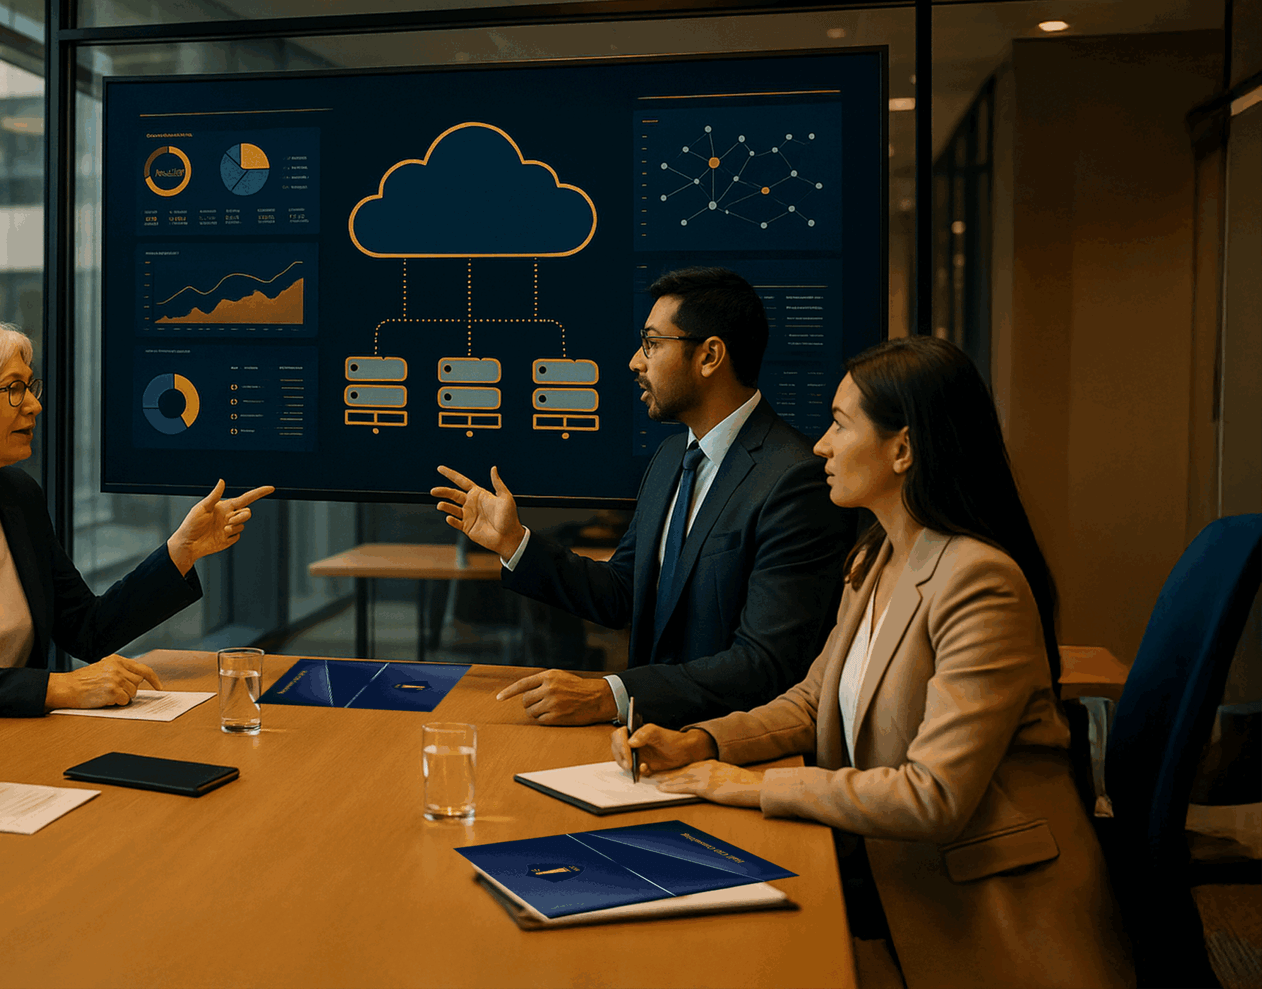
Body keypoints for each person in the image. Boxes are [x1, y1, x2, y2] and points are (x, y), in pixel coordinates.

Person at [620, 336, 1132, 988]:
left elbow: (934, 797)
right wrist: (700, 743)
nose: (820, 446)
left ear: (904, 448)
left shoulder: (980, 582)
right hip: (890, 882)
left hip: (984, 915)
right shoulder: (877, 558)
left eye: (838, 425)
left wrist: (749, 786)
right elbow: (813, 702)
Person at [431, 266, 850, 728]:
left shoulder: (794, 480)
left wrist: (612, 695)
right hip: (648, 742)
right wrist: (515, 543)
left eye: (652, 343)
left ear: (709, 355)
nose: (635, 361)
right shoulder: (673, 456)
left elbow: (767, 663)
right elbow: (624, 592)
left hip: (729, 751)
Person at [0, 320, 274, 717]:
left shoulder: (17, 497)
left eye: (29, 387)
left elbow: (87, 629)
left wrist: (182, 550)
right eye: (12, 390)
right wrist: (56, 687)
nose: (33, 406)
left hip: (7, 743)